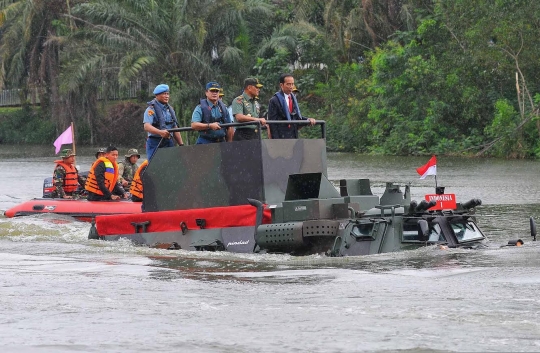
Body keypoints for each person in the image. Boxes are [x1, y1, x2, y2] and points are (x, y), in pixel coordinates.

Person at [267, 73, 316, 139]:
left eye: (292, 84)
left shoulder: (293, 98)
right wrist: (275, 140)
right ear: (281, 85)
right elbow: (272, 122)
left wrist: (308, 119)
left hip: (293, 135)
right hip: (281, 136)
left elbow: (295, 117)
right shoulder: (275, 100)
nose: (291, 87)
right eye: (288, 84)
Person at [143, 84, 184, 159]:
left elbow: (175, 127)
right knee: (155, 166)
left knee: (171, 165)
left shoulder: (170, 110)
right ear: (157, 95)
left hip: (168, 141)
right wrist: (160, 132)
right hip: (155, 142)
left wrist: (181, 145)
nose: (167, 96)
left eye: (167, 94)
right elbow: (146, 126)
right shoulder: (151, 109)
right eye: (164, 94)